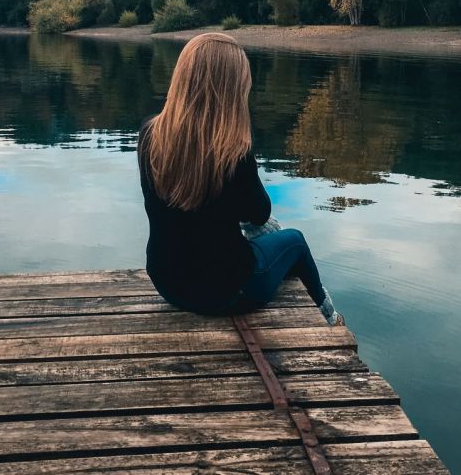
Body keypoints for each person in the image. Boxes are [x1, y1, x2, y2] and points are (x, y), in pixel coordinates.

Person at [137, 32, 342, 325]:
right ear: (232, 88)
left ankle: (327, 313)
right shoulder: (233, 151)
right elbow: (259, 214)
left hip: (167, 283)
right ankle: (329, 315)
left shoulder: (149, 135)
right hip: (227, 291)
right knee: (294, 241)